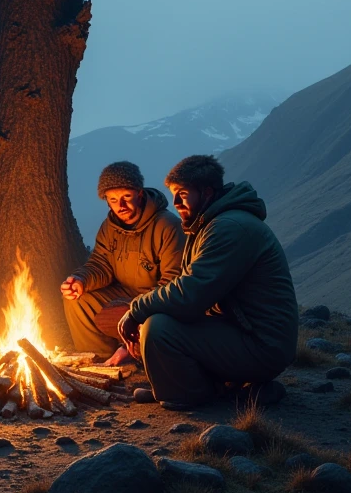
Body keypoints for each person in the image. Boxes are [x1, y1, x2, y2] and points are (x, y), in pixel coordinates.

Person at [118, 154, 299, 410]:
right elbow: (191, 289)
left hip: (262, 346)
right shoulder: (210, 223)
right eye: (173, 194)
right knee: (162, 317)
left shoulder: (229, 227)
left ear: (207, 192)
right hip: (245, 332)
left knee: (158, 328)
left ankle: (189, 394)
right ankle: (176, 386)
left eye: (182, 193)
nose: (176, 202)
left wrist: (137, 309)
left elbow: (190, 294)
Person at [60, 161, 185, 363]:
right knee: (77, 300)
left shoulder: (167, 226)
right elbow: (101, 264)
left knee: (155, 313)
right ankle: (98, 360)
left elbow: (173, 283)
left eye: (126, 197)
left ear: (139, 194)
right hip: (123, 293)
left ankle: (134, 355)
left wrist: (139, 310)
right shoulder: (110, 227)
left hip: (155, 298)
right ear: (107, 201)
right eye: (113, 199)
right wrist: (80, 280)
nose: (121, 205)